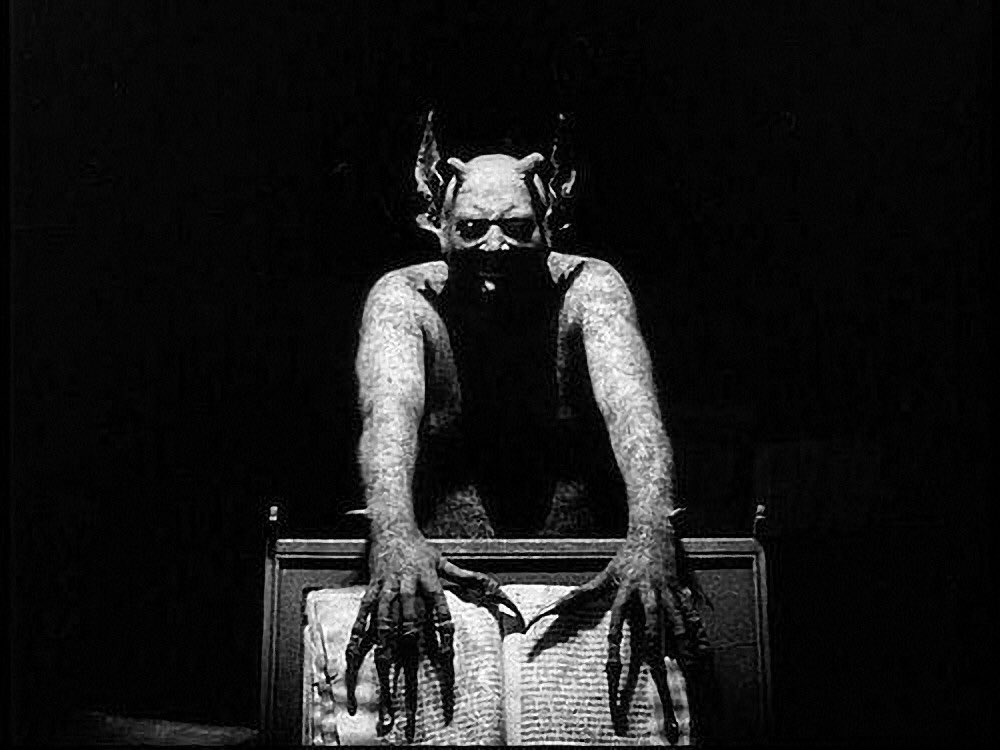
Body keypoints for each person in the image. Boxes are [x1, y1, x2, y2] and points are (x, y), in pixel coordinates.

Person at [344, 112, 708, 742]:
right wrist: (394, 532)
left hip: (577, 569)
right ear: (437, 226)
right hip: (445, 572)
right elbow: (388, 413)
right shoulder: (406, 299)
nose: (494, 246)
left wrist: (651, 531)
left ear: (549, 224)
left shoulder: (589, 287)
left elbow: (632, 410)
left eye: (516, 228)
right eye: (472, 228)